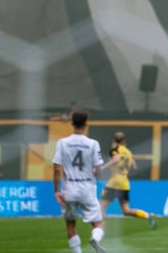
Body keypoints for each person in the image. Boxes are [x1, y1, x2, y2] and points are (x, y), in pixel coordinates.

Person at [53, 108, 107, 253]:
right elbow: (98, 169)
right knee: (98, 223)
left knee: (70, 225)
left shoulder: (62, 143)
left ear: (72, 123)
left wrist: (56, 190)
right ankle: (95, 239)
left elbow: (57, 167)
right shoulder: (93, 143)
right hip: (87, 188)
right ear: (86, 124)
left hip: (69, 188)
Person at [99, 132, 156, 229]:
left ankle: (100, 230)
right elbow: (134, 167)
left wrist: (103, 167)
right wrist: (124, 170)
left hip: (114, 182)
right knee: (126, 210)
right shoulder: (128, 152)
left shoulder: (115, 150)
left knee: (101, 207)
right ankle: (147, 215)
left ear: (113, 141)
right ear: (123, 141)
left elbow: (116, 159)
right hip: (124, 183)